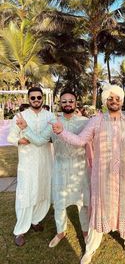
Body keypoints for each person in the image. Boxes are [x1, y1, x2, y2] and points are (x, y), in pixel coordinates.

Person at [50, 84, 125, 264]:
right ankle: (90, 249)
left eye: (117, 99)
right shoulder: (96, 121)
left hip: (123, 175)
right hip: (102, 176)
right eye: (110, 99)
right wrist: (61, 132)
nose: (114, 101)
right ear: (105, 101)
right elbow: (80, 141)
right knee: (100, 210)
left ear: (121, 101)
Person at [16, 90, 90, 247]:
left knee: (83, 202)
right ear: (60, 104)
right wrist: (26, 128)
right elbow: (38, 141)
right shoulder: (53, 123)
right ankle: (60, 232)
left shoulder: (84, 122)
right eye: (64, 101)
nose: (68, 103)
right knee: (59, 203)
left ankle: (85, 232)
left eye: (71, 101)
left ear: (76, 103)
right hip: (60, 168)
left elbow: (89, 142)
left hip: (80, 168)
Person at [7, 87, 55, 247]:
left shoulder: (50, 116)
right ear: (29, 99)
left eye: (38, 97)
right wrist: (20, 141)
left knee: (42, 190)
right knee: (25, 193)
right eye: (33, 98)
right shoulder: (20, 116)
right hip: (27, 163)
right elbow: (11, 137)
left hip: (44, 161)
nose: (36, 100)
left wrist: (30, 134)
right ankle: (20, 230)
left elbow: (47, 138)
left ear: (43, 99)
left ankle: (36, 219)